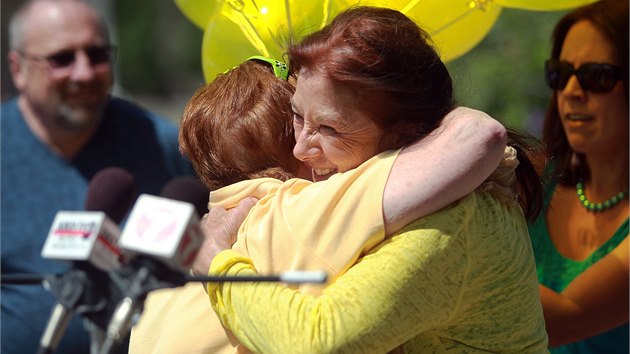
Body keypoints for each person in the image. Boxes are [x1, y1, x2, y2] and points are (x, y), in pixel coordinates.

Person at [193, 6, 548, 353]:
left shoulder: (453, 223)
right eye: (297, 116)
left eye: (329, 128)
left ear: (401, 135)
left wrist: (214, 260)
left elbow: (316, 341)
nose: (300, 149)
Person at [129, 55, 514, 353]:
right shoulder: (299, 208)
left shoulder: (169, 263)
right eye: (304, 119)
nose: (311, 141)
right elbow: (477, 137)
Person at [0, 1, 194, 353]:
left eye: (97, 54)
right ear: (18, 69)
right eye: (61, 59)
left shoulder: (161, 142)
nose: (84, 72)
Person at [527, 0, 629, 352]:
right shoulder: (537, 178)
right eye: (560, 73)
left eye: (596, 76)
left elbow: (567, 317)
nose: (570, 90)